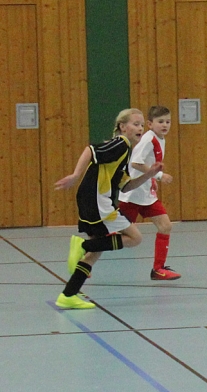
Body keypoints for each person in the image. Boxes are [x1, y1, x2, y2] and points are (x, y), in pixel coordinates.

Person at [53, 109, 164, 309]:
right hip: (98, 201)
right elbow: (90, 150)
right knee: (135, 238)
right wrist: (75, 175)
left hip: (93, 199)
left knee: (97, 250)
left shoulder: (126, 151)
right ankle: (82, 245)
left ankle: (68, 295)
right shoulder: (121, 143)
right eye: (135, 124)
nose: (140, 128)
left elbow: (126, 186)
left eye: (141, 125)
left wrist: (150, 174)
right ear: (122, 127)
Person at [118, 105, 180, 280]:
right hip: (133, 195)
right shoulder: (148, 139)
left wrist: (151, 181)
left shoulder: (160, 139)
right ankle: (87, 249)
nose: (165, 125)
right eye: (160, 122)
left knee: (165, 226)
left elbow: (148, 163)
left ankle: (158, 269)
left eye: (168, 121)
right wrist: (158, 176)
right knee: (118, 234)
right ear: (150, 124)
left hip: (146, 195)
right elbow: (136, 163)